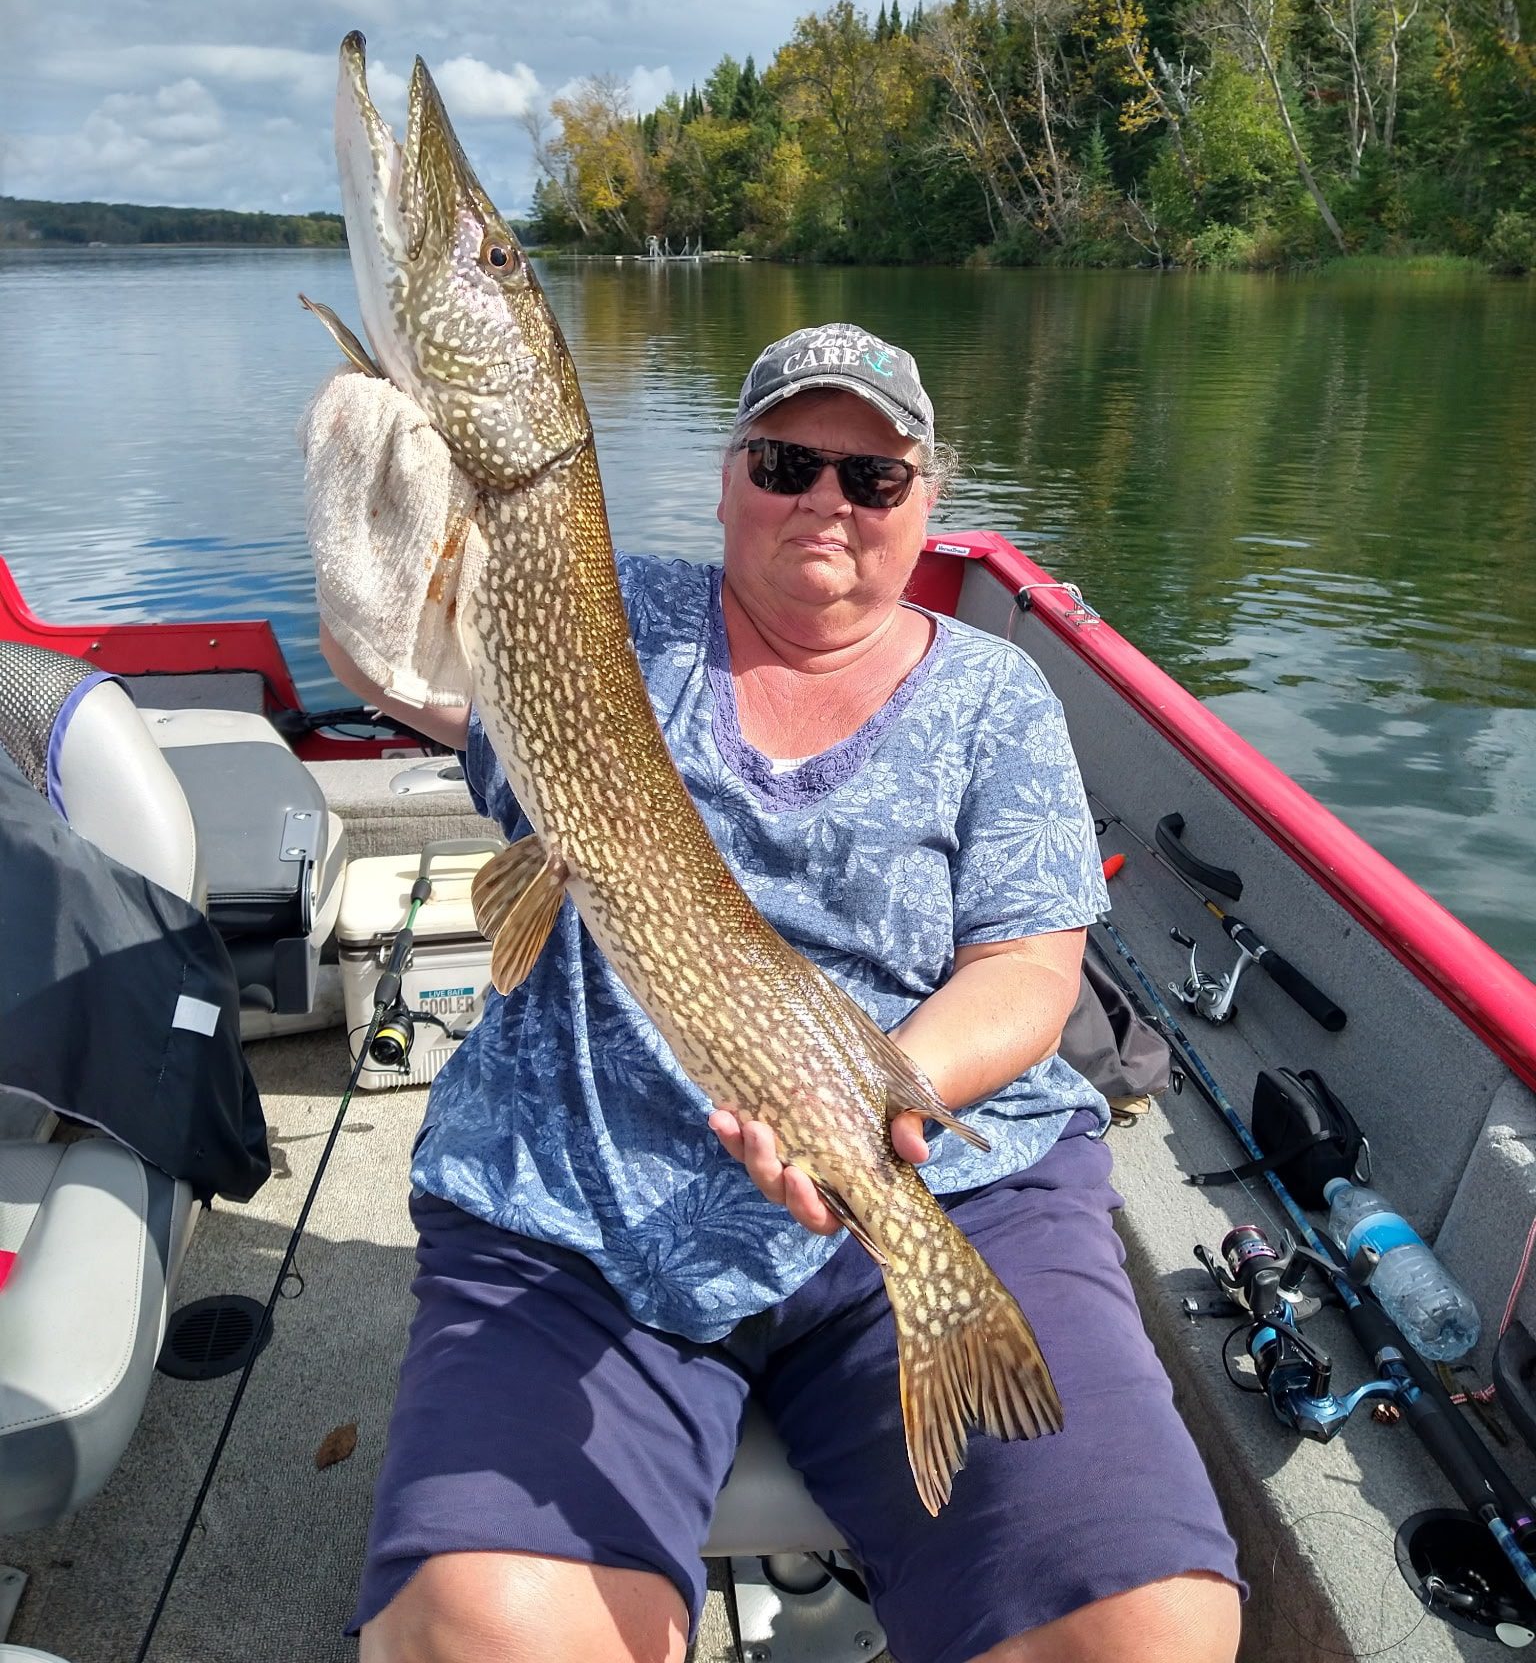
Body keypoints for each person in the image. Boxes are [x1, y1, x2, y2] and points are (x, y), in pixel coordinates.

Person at [309, 322, 1243, 1663]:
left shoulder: (996, 698)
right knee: (476, 1633)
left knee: (1143, 1630)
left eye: (872, 478)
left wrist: (878, 1103)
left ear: (928, 504)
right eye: (789, 459)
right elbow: (409, 657)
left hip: (930, 1185)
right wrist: (397, 536)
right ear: (729, 476)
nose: (828, 498)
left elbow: (1029, 973)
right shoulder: (606, 624)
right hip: (582, 1196)